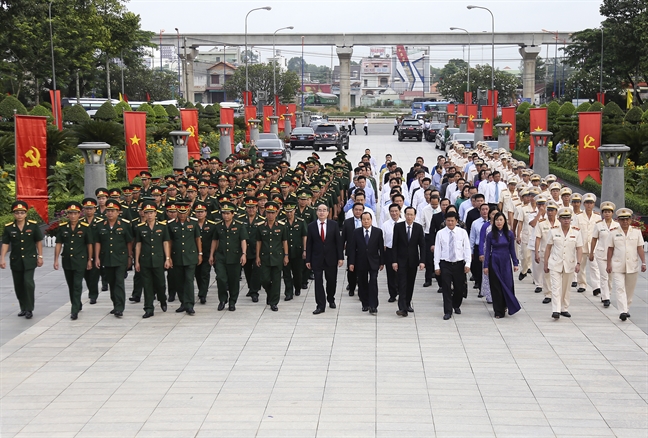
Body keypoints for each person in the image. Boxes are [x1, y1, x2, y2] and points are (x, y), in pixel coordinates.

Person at [1, 201, 44, 319]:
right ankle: (23, 307)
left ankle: (29, 308)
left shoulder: (32, 225)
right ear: (14, 214)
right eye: (17, 213)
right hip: (16, 260)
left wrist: (40, 256)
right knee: (18, 285)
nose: (19, 215)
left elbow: (38, 242)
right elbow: (5, 243)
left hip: (30, 259)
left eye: (22, 212)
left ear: (26, 214)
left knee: (28, 283)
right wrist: (2, 258)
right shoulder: (9, 227)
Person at [54, 201, 94, 320]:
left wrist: (89, 259)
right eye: (70, 213)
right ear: (67, 214)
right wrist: (55, 259)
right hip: (67, 260)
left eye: (75, 213)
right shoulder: (62, 228)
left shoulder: (85, 228)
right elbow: (58, 244)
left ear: (79, 214)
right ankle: (77, 303)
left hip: (80, 260)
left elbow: (89, 244)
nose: (72, 216)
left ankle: (74, 309)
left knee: (77, 285)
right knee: (71, 284)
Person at [94, 200, 133, 317]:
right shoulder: (100, 225)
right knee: (111, 282)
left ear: (118, 212)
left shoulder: (124, 224)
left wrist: (129, 256)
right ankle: (115, 304)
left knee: (119, 282)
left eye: (113, 211)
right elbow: (98, 242)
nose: (110, 213)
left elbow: (129, 242)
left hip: (120, 257)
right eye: (108, 211)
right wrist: (97, 257)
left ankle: (120, 307)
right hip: (107, 258)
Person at [606, 208, 647, 321]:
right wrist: (608, 263)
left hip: (632, 265)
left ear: (630, 220)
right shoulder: (613, 232)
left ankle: (626, 307)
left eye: (627, 219)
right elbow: (610, 249)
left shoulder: (636, 231)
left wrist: (643, 262)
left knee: (629, 289)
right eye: (622, 219)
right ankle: (622, 311)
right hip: (618, 264)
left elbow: (640, 248)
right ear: (618, 220)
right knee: (619, 288)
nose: (625, 221)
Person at [134, 202, 172, 318]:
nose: (149, 215)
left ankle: (162, 299)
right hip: (145, 260)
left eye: (151, 213)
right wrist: (137, 261)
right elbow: (138, 245)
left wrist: (167, 258)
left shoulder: (162, 226)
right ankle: (149, 308)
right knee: (147, 285)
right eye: (147, 213)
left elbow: (165, 243)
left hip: (158, 259)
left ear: (156, 213)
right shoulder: (140, 228)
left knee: (160, 283)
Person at [544, 207, 583, 319]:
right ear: (559, 219)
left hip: (569, 263)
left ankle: (564, 308)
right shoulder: (553, 231)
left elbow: (579, 248)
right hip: (555, 263)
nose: (566, 220)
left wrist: (578, 263)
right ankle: (555, 310)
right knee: (556, 287)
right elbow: (548, 248)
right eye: (564, 218)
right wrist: (546, 263)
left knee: (566, 287)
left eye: (568, 218)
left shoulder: (576, 232)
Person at [306, 204, 344, 314]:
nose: (322, 212)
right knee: (318, 281)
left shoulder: (334, 225)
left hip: (331, 258)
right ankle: (320, 305)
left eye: (324, 210)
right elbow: (309, 244)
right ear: (316, 212)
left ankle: (331, 298)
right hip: (317, 258)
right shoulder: (311, 226)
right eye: (319, 210)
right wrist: (308, 259)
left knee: (331, 281)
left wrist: (340, 257)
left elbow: (338, 242)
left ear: (328, 212)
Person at [434, 211, 471, 320]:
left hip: (459, 264)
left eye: (452, 221)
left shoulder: (462, 233)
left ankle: (456, 304)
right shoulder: (440, 233)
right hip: (445, 263)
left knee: (459, 288)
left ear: (456, 221)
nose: (450, 223)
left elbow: (467, 248)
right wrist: (436, 265)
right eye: (448, 220)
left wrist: (468, 263)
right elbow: (437, 250)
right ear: (445, 221)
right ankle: (448, 311)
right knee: (446, 288)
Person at [211, 202, 248, 311]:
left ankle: (232, 301)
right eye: (224, 213)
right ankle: (223, 299)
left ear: (233, 214)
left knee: (234, 280)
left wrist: (244, 254)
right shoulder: (218, 226)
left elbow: (243, 240)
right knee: (220, 278)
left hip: (234, 257)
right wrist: (211, 255)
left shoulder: (239, 225)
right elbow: (215, 240)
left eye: (228, 213)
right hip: (221, 256)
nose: (225, 215)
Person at [167, 202, 202, 315]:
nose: (182, 215)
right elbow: (169, 242)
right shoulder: (171, 224)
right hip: (177, 256)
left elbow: (197, 239)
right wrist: (169, 257)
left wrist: (200, 253)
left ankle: (190, 304)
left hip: (190, 256)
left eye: (184, 212)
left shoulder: (193, 223)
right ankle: (183, 302)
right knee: (179, 281)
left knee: (189, 280)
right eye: (180, 212)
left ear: (188, 212)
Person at [483, 212, 520, 318]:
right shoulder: (490, 235)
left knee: (507, 284)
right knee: (496, 286)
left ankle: (505, 305)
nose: (499, 222)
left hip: (506, 262)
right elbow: (487, 251)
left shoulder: (509, 234)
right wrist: (486, 266)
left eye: (501, 220)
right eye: (497, 220)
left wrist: (515, 263)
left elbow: (512, 249)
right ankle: (498, 311)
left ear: (504, 221)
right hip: (494, 261)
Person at [392, 207, 426, 317]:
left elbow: (422, 246)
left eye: (411, 215)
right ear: (404, 215)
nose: (409, 217)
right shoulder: (398, 227)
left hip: (413, 260)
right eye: (407, 214)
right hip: (401, 260)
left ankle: (407, 303)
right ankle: (402, 308)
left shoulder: (418, 228)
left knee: (410, 284)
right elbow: (395, 245)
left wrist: (422, 261)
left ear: (415, 216)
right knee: (402, 284)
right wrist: (394, 261)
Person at [348, 212, 384, 314]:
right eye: (364, 219)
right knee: (362, 283)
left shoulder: (378, 232)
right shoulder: (356, 232)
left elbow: (381, 248)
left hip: (374, 261)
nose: (366, 221)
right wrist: (351, 263)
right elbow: (352, 248)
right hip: (361, 261)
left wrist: (382, 262)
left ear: (371, 220)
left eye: (368, 219)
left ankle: (373, 305)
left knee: (373, 282)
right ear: (361, 220)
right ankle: (365, 303)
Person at [256, 201, 288, 311]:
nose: (270, 215)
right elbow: (259, 242)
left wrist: (286, 255)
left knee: (276, 280)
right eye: (268, 212)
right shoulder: (260, 226)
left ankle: (274, 302)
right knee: (264, 279)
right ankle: (270, 293)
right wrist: (257, 256)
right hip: (264, 256)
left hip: (277, 256)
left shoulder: (282, 226)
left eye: (272, 212)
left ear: (276, 213)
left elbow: (284, 241)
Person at [589, 201, 617, 308]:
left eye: (609, 212)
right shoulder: (599, 225)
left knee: (610, 277)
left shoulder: (617, 225)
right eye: (605, 212)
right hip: (601, 254)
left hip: (614, 256)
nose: (607, 214)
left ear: (612, 213)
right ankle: (606, 298)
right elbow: (594, 239)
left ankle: (607, 294)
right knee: (604, 276)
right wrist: (591, 252)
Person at [282, 202, 307, 301]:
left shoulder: (300, 222)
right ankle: (288, 292)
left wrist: (305, 250)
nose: (289, 213)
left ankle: (297, 287)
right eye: (287, 211)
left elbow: (304, 236)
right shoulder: (282, 222)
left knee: (297, 273)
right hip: (285, 252)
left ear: (294, 210)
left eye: (291, 211)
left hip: (298, 251)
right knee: (286, 273)